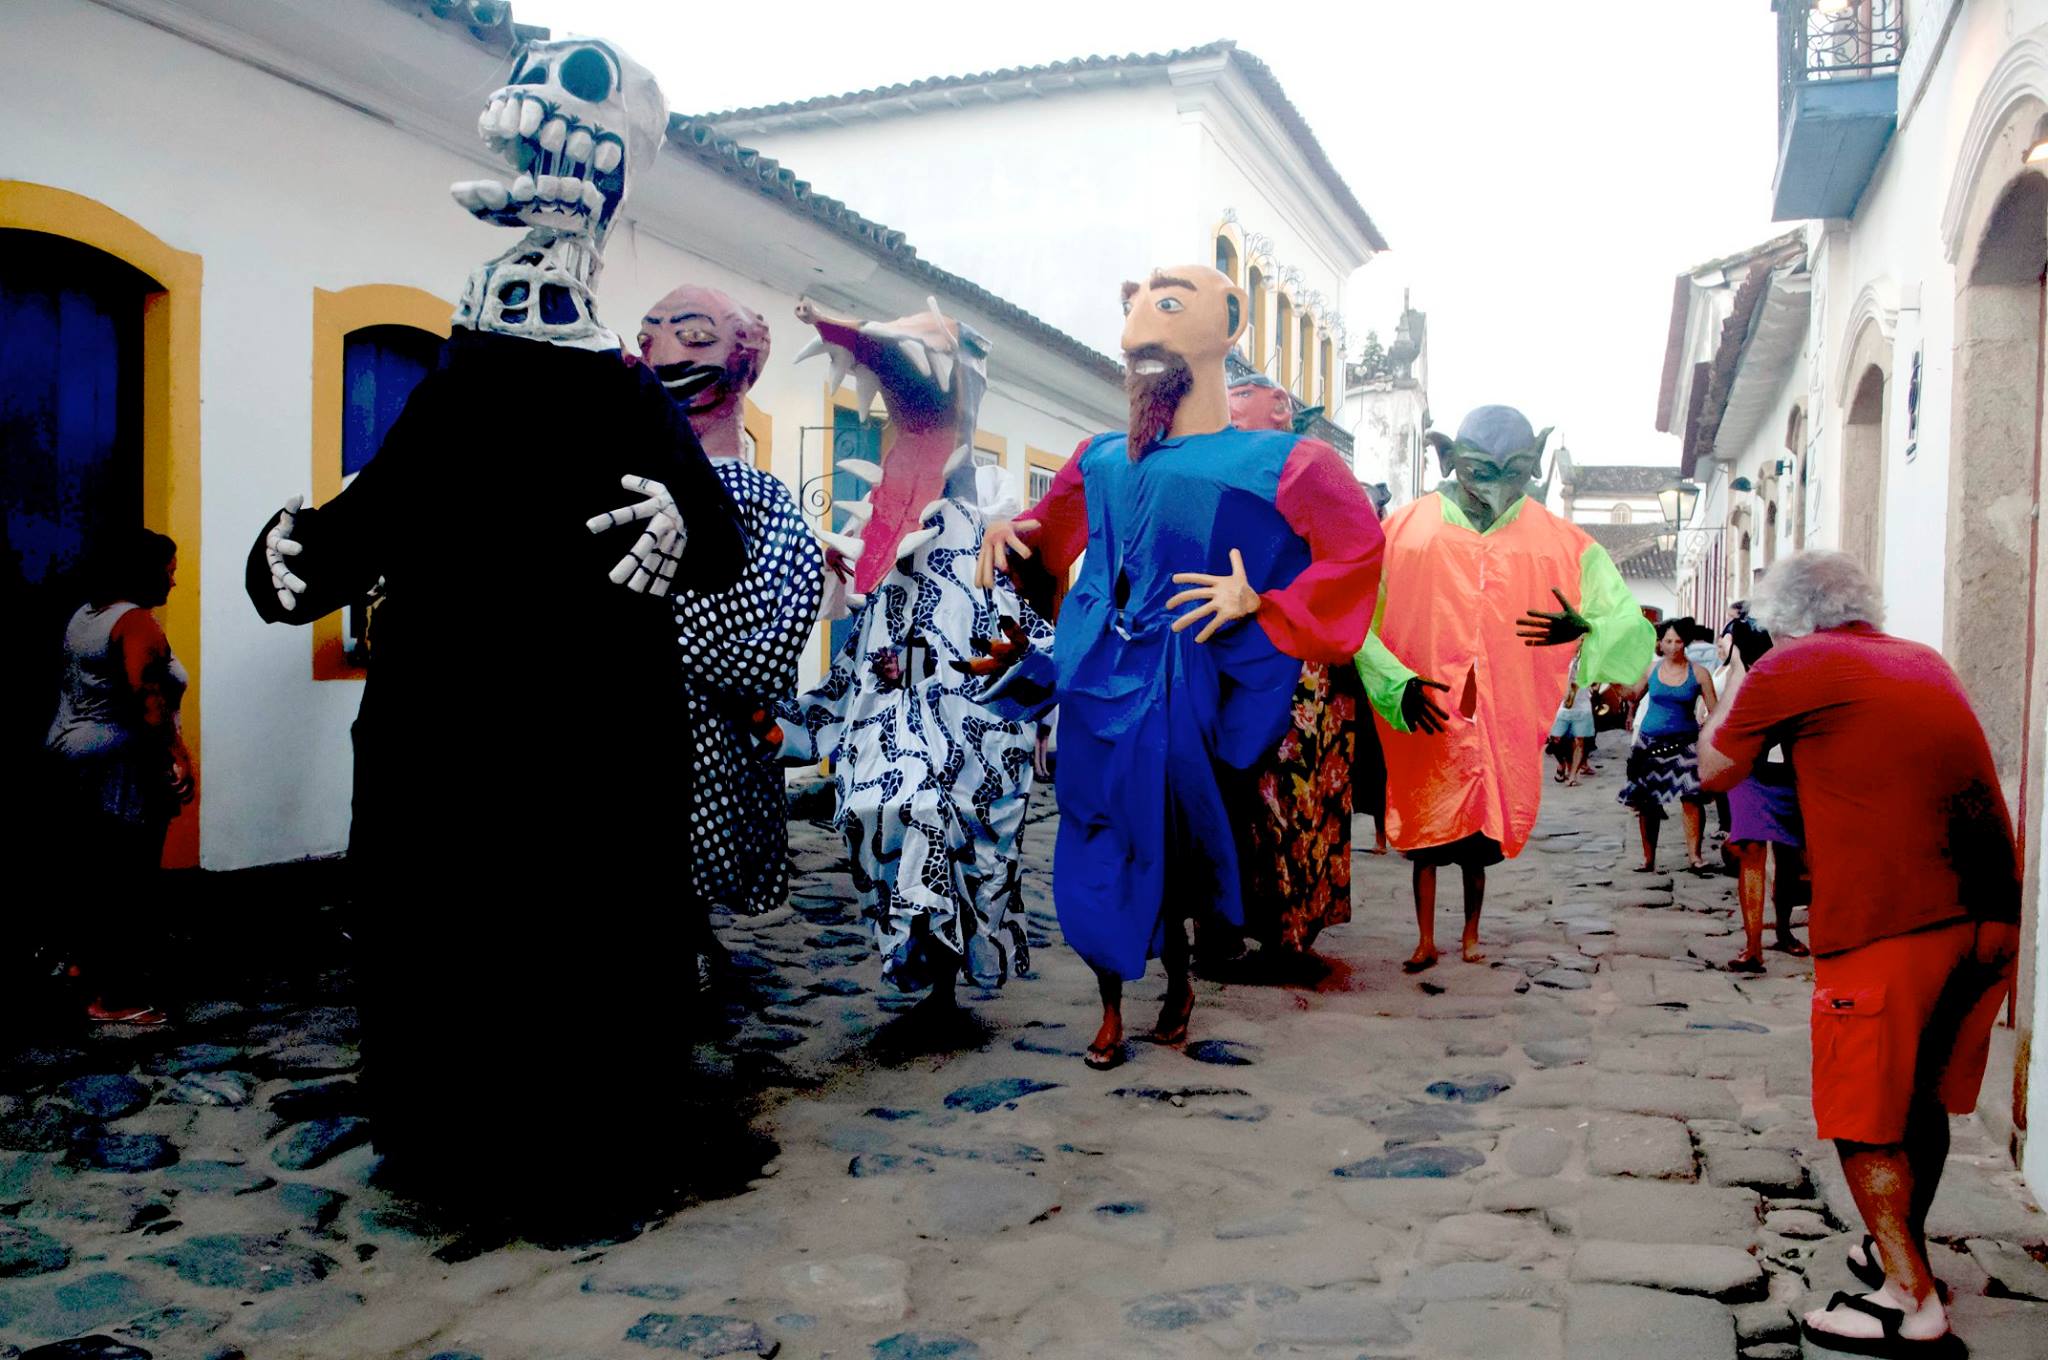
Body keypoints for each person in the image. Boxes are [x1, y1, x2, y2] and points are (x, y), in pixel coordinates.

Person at [246, 39, 747, 1222]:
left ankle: (577, 1153)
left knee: (580, 943)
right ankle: (452, 1145)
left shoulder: (612, 395)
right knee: (446, 940)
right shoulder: (462, 389)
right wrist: (293, 558)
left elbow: (716, 541)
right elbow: (360, 529)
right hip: (446, 742)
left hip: (586, 749)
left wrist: (683, 520)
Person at [979, 264, 1384, 1068]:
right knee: (1093, 839)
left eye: (1166, 303)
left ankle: (1176, 981)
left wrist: (1261, 600)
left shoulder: (1286, 464)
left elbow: (1357, 549)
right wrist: (1007, 534)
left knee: (1166, 843)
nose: (1137, 326)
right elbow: (1046, 540)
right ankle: (1106, 1006)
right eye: (1130, 306)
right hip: (1095, 685)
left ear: (1230, 324)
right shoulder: (1097, 460)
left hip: (1182, 686)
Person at [1702, 552, 2019, 1356]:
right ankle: (1895, 1249)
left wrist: (1743, 670)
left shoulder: (1794, 663)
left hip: (1889, 920)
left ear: (1785, 618)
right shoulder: (1920, 657)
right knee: (1923, 1104)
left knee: (1863, 1119)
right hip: (1989, 917)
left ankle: (1910, 1302)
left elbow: (1713, 770)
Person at [778, 299, 1050, 1023]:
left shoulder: (992, 527)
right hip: (891, 714)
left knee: (953, 828)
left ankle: (941, 975)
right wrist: (809, 717)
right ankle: (917, 955)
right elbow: (867, 638)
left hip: (968, 717)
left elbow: (1031, 629)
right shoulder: (884, 532)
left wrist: (1019, 666)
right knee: (882, 810)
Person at [1355, 404, 1655, 974]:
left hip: (1497, 727)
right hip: (1431, 717)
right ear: (1448, 459)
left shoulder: (1560, 544)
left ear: (1533, 465)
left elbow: (1627, 620)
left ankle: (1469, 934)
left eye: (1512, 473)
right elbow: (1355, 619)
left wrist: (1587, 627)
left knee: (1477, 849)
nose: (1495, 488)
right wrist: (1396, 684)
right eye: (1480, 471)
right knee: (1425, 838)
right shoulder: (1404, 533)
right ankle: (1424, 939)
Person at [635, 284, 824, 988]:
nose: (662, 349)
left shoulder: (760, 502)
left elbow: (779, 625)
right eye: (650, 332)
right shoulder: (634, 486)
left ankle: (687, 936)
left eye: (692, 335)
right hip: (642, 713)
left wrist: (675, 638)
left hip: (713, 724)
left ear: (742, 360)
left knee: (695, 835)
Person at [43, 529, 193, 1026]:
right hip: (119, 763)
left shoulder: (85, 616)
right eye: (169, 569)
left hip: (72, 751)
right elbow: (147, 703)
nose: (174, 579)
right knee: (128, 875)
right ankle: (113, 998)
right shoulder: (137, 625)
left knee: (92, 867)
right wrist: (175, 757)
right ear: (143, 572)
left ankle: (85, 966)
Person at [1715, 612, 1808, 973]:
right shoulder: (1732, 676)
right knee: (1753, 850)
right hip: (1749, 774)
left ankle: (1782, 930)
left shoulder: (1790, 673)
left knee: (1786, 857)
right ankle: (1753, 946)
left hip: (1786, 772)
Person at [1618, 618, 1717, 873]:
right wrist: (1611, 678)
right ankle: (1648, 859)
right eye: (1668, 641)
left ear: (1686, 642)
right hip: (1649, 743)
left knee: (1691, 799)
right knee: (1648, 802)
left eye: (1679, 641)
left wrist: (1710, 733)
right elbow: (1633, 695)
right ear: (1660, 644)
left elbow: (1715, 711)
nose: (1673, 646)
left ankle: (1695, 856)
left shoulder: (1699, 673)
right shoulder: (1651, 670)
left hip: (1685, 743)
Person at [1549, 652, 1595, 786]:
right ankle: (1562, 764)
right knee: (1555, 738)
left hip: (1582, 704)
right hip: (1563, 705)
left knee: (1579, 741)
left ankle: (1573, 776)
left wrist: (1594, 685)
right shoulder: (1562, 657)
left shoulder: (1588, 658)